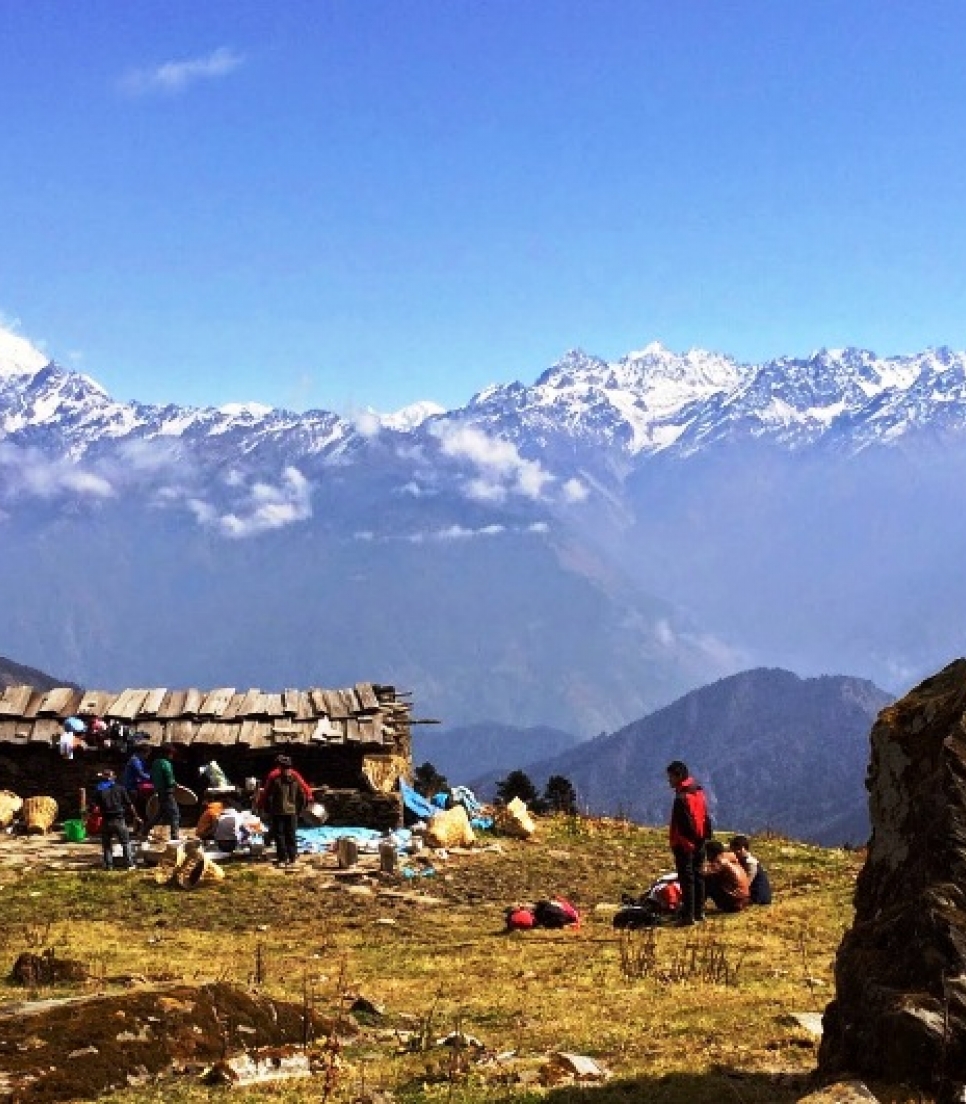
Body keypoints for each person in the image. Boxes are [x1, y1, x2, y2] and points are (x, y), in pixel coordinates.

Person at [666, 759, 712, 927]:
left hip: (685, 844)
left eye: (670, 777)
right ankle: (699, 912)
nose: (669, 781)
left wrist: (686, 842)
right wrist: (704, 838)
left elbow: (684, 824)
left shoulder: (681, 797)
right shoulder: (698, 792)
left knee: (687, 880)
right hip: (700, 842)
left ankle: (688, 915)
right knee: (699, 876)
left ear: (678, 776)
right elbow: (705, 816)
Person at [260, 755, 307, 867]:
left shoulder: (275, 779)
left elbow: (268, 795)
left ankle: (282, 859)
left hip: (278, 811)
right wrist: (299, 810)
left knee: (279, 835)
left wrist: (266, 808)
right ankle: (293, 858)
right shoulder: (296, 779)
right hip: (292, 812)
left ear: (280, 767)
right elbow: (302, 795)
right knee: (291, 834)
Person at [91, 769, 138, 870]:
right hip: (119, 820)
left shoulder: (99, 790)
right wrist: (136, 816)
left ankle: (109, 865)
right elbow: (129, 804)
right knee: (125, 843)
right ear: (114, 777)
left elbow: (94, 807)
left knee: (107, 845)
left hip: (106, 820)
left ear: (103, 778)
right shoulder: (120, 789)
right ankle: (129, 865)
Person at [142, 743, 180, 840]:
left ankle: (145, 830)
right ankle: (175, 836)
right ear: (168, 754)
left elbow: (153, 777)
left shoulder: (155, 763)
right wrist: (174, 784)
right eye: (171, 754)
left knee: (159, 813)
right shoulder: (166, 764)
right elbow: (169, 779)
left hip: (159, 791)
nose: (172, 756)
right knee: (175, 814)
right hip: (167, 791)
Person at [702, 840, 751, 913]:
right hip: (743, 899)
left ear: (711, 853)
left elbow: (703, 873)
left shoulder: (720, 861)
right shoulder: (729, 856)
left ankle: (697, 907)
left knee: (707, 879)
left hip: (733, 903)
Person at [729, 834, 773, 905]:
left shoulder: (750, 863)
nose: (737, 852)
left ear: (745, 848)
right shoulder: (742, 861)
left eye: (739, 849)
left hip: (758, 897)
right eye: (734, 850)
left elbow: (746, 883)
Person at [122, 741, 153, 815]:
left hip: (136, 785)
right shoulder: (135, 760)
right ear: (143, 752)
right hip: (131, 787)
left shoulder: (140, 760)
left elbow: (144, 772)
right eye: (147, 754)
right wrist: (152, 778)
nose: (148, 756)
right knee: (134, 805)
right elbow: (141, 774)